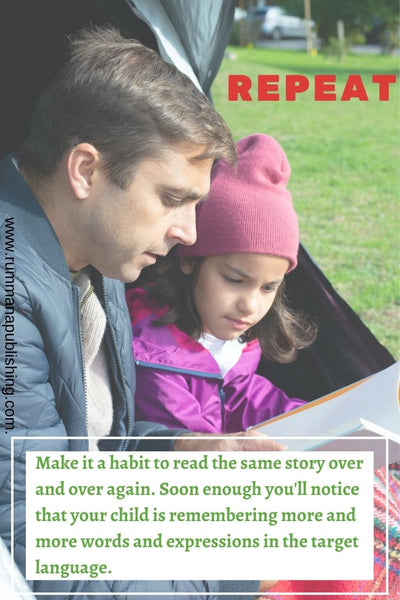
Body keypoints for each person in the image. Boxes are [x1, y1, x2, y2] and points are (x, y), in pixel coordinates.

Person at [0, 27, 280, 599]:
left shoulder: (98, 256)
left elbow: (94, 444)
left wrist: (179, 450)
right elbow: (40, 550)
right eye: (172, 199)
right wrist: (239, 572)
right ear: (85, 170)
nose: (189, 233)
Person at [127, 133, 316, 433]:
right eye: (234, 280)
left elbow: (241, 396)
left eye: (269, 287)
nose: (250, 306)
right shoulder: (152, 357)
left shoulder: (230, 341)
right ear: (188, 260)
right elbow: (199, 454)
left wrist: (313, 423)